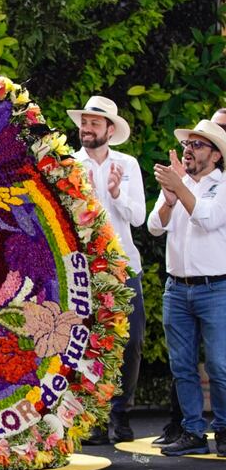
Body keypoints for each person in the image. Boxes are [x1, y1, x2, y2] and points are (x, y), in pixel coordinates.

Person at [67, 96, 146, 444]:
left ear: (110, 130)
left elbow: (139, 218)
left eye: (94, 123)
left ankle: (121, 412)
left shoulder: (127, 164)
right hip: (83, 269)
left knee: (131, 342)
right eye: (84, 122)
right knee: (86, 343)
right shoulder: (68, 163)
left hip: (124, 265)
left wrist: (115, 193)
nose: (86, 128)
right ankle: (94, 419)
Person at [148, 119, 226, 457]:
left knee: (220, 365)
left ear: (216, 155)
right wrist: (168, 199)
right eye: (187, 145)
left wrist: (179, 188)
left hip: (215, 289)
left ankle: (223, 429)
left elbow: (207, 219)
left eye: (197, 145)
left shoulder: (222, 186)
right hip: (176, 289)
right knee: (181, 366)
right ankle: (193, 430)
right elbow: (153, 227)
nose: (188, 150)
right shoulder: (179, 185)